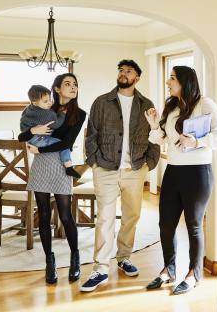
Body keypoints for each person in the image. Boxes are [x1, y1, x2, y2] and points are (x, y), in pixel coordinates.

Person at [144, 65, 217, 295]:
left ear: (185, 81)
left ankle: (194, 274)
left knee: (193, 225)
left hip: (198, 173)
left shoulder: (205, 104)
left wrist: (197, 142)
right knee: (166, 224)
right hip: (173, 171)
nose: (168, 82)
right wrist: (153, 124)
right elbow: (161, 138)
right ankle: (168, 270)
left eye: (172, 78)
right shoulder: (171, 106)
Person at [79, 60, 161, 293]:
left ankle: (124, 257)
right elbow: (91, 134)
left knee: (131, 216)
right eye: (121, 71)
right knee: (104, 218)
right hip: (105, 168)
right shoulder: (102, 102)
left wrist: (150, 163)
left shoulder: (146, 104)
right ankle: (100, 268)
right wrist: (93, 161)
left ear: (137, 77)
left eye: (129, 72)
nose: (123, 74)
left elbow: (155, 132)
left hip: (135, 170)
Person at [18, 73, 87, 284]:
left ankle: (75, 257)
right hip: (41, 167)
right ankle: (50, 260)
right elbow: (22, 137)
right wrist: (33, 130)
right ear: (56, 89)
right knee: (44, 214)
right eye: (68, 84)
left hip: (60, 165)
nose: (73, 87)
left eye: (75, 84)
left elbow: (67, 142)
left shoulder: (80, 114)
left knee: (66, 216)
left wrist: (38, 149)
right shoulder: (45, 108)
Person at [20, 84, 80, 178]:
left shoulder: (28, 109)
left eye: (50, 99)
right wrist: (62, 114)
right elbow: (56, 124)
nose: (49, 103)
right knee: (63, 145)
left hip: (31, 139)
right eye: (45, 101)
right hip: (40, 140)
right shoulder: (45, 114)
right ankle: (68, 167)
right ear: (35, 103)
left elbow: (22, 125)